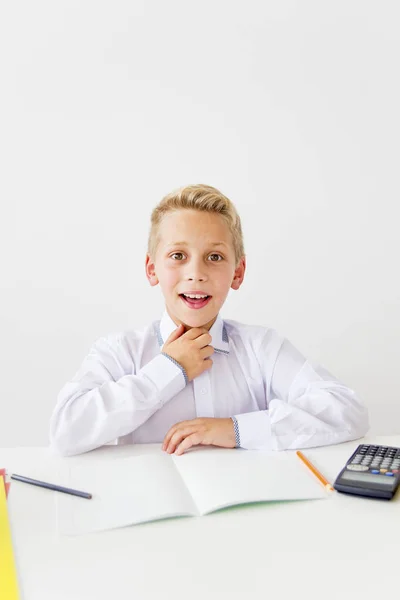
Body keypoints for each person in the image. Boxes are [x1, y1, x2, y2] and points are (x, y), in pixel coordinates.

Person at [49, 184, 369, 456]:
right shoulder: (120, 351)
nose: (196, 274)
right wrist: (168, 370)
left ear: (238, 272)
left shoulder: (262, 348)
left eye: (214, 257)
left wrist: (237, 430)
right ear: (152, 269)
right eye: (178, 256)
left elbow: (347, 410)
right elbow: (66, 430)